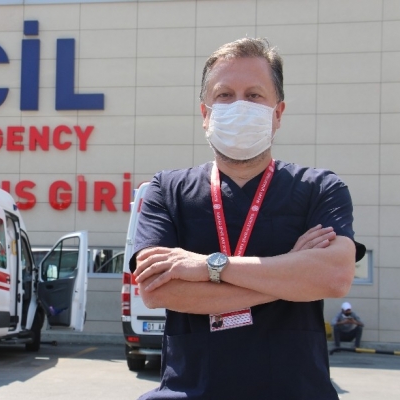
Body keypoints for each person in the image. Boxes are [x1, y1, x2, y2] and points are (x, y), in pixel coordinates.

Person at [130, 37, 366, 399]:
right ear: (205, 114)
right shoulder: (167, 190)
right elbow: (156, 290)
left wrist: (208, 267)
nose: (239, 106)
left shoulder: (319, 188)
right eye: (225, 95)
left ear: (278, 113)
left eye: (254, 95)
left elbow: (334, 277)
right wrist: (291, 274)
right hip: (189, 392)